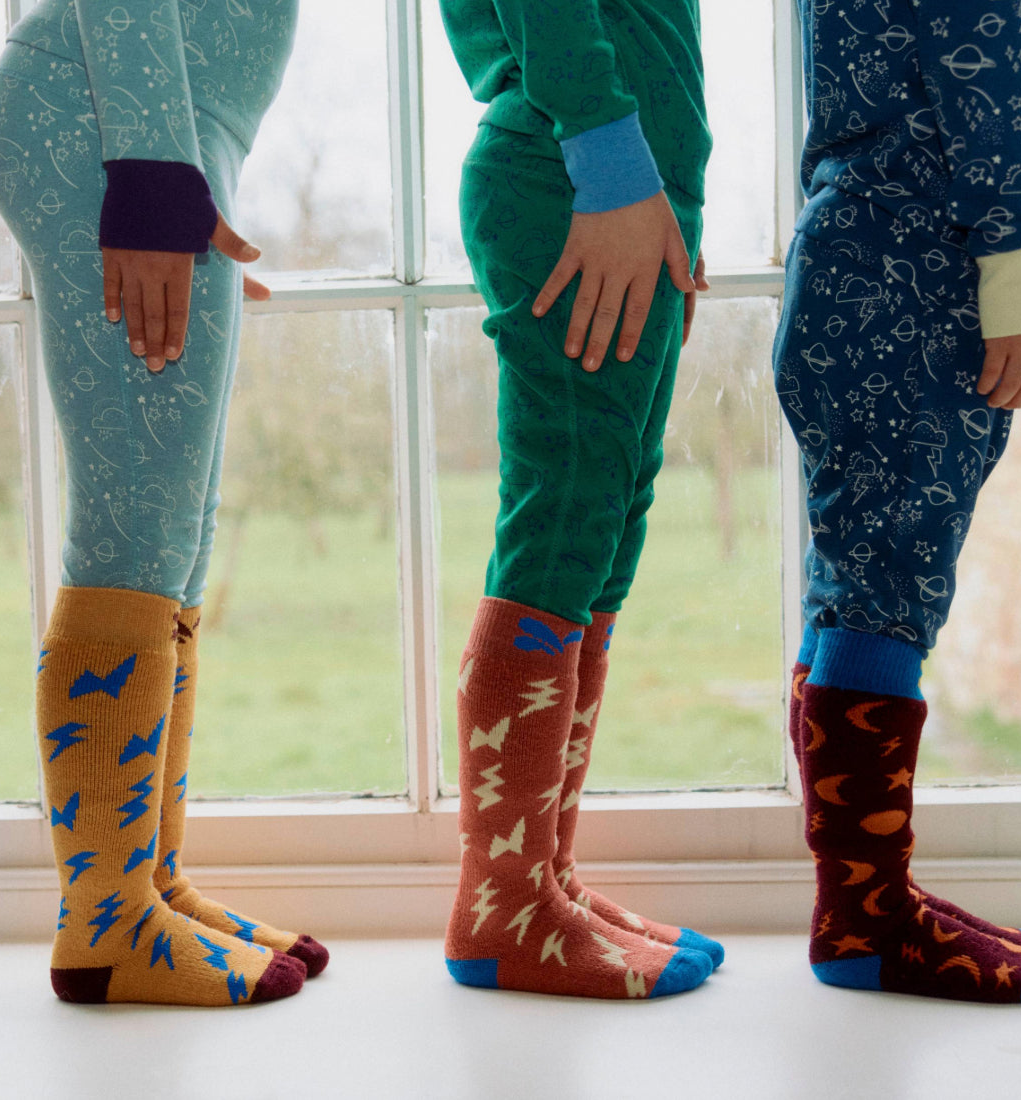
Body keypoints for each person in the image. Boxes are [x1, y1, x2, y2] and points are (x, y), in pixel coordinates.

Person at [0, 0, 328, 1005]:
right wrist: (145, 176)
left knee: (173, 528)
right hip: (116, 119)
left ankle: (143, 884)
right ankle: (105, 925)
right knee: (137, 526)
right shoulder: (132, 149)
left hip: (151, 123)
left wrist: (171, 163)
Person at [776, 0, 1021, 1002]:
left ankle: (866, 898)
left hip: (855, 246)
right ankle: (865, 917)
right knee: (881, 585)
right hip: (917, 265)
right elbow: (980, 63)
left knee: (854, 576)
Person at [438, 0, 723, 999]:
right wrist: (609, 163)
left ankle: (540, 877)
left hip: (623, 188)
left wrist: (663, 196)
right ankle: (500, 905)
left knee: (599, 533)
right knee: (561, 530)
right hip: (576, 178)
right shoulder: (588, 161)